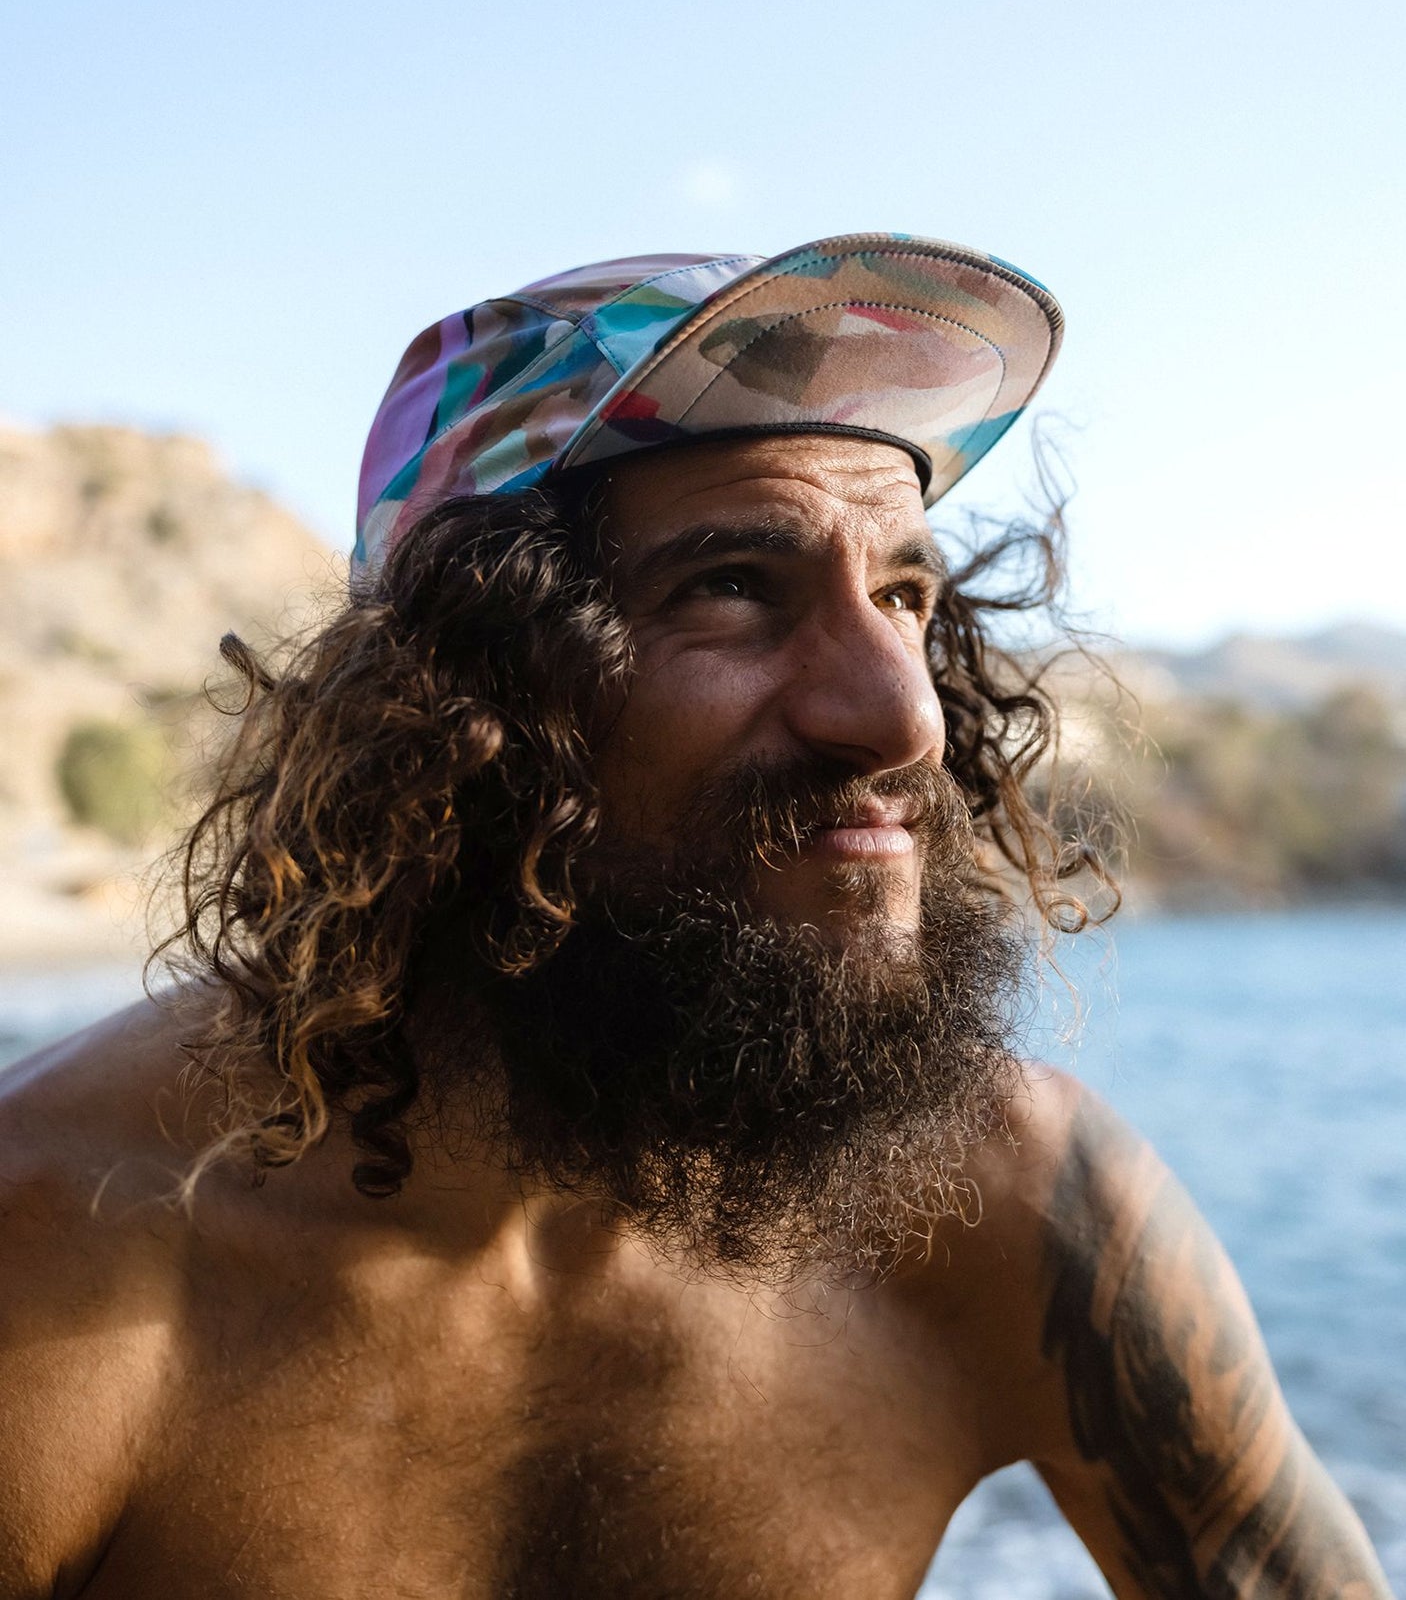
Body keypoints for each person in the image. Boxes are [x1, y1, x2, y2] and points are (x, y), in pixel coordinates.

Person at [0, 234, 1388, 1599]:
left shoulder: (1018, 1207)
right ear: (456, 708)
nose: (900, 714)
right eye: (733, 588)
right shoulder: (56, 1251)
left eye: (904, 594)